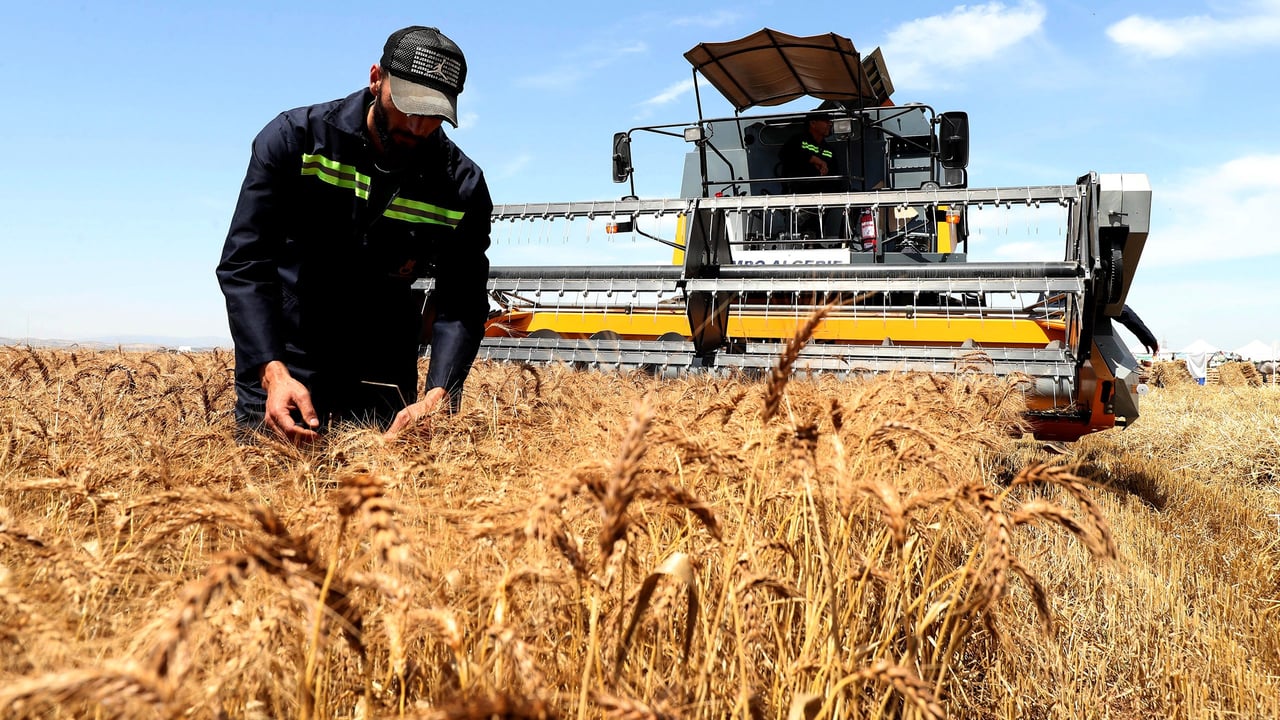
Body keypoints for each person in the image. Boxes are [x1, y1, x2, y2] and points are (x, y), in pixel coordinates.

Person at [217, 26, 492, 445]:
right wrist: (272, 372)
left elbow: (462, 301)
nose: (417, 126)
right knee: (266, 503)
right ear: (376, 78)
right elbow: (245, 264)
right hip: (286, 366)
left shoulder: (462, 187)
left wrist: (439, 394)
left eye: (434, 115)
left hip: (381, 379)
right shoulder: (295, 141)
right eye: (407, 106)